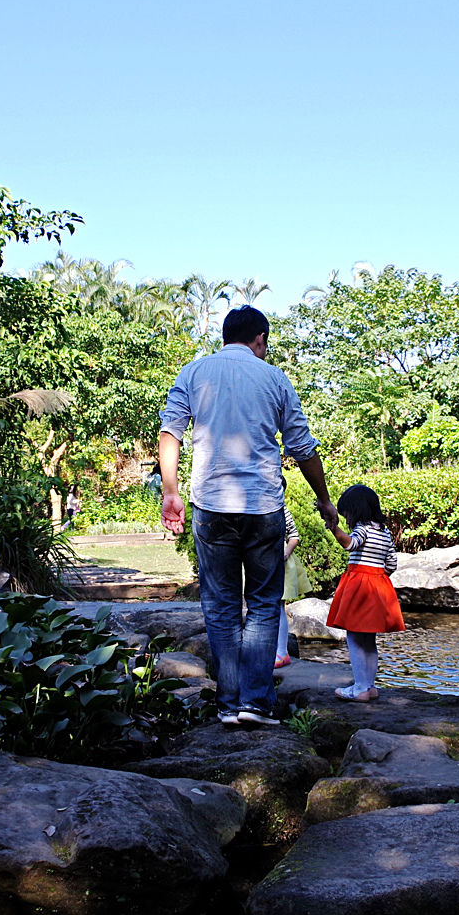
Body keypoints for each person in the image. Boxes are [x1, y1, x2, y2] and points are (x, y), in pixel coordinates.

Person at [158, 305, 337, 727]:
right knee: (261, 605)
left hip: (211, 505)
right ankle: (255, 705)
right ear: (259, 338)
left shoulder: (193, 373)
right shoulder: (274, 378)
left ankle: (227, 704)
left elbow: (171, 432)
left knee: (220, 606)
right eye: (266, 342)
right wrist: (325, 499)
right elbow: (302, 448)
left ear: (225, 337)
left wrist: (171, 493)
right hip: (263, 508)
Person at [324, 483, 404, 702]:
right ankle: (369, 686)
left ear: (356, 510)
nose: (347, 518)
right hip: (378, 585)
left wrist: (334, 529)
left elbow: (351, 545)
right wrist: (377, 576)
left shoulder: (363, 528)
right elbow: (392, 563)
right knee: (369, 639)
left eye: (347, 513)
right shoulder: (384, 532)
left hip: (359, 584)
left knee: (354, 636)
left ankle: (359, 687)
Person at [276, 480, 313, 669]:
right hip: (259, 559)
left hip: (279, 561)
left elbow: (294, 535)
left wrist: (286, 552)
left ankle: (281, 652)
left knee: (279, 604)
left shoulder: (282, 510)